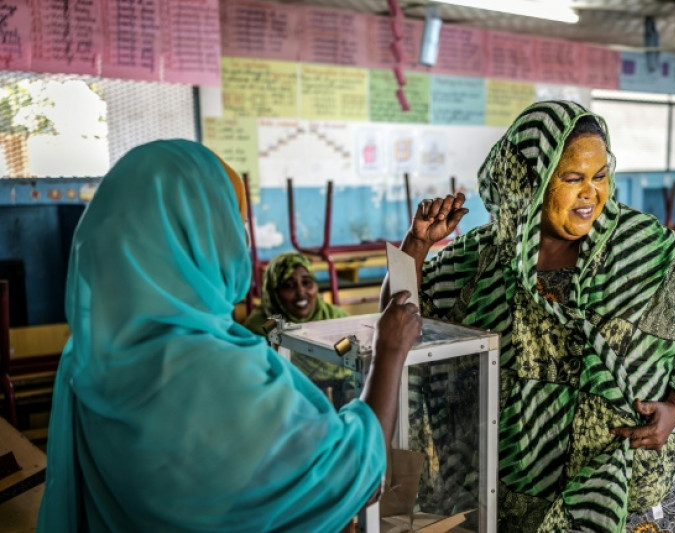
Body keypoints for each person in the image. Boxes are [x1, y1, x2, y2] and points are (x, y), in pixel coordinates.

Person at [38, 139, 422, 532]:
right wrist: (389, 352)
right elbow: (349, 477)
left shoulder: (87, 352)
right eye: (234, 223)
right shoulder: (219, 373)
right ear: (208, 236)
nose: (241, 239)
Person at [384, 100, 675, 532]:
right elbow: (398, 318)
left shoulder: (648, 250)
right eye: (572, 178)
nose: (591, 193)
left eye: (600, 176)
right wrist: (416, 245)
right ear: (531, 181)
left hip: (632, 494)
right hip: (519, 493)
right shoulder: (484, 258)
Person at [244, 252, 356, 405]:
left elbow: (354, 361)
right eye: (289, 286)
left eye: (307, 283)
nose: (301, 293)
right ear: (274, 291)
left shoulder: (335, 318)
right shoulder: (261, 327)